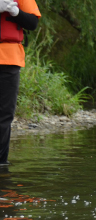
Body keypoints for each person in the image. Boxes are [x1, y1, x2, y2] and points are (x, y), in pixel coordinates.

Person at [0, 0, 40, 166]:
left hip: (9, 59)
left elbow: (32, 23)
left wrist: (16, 12)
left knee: (4, 115)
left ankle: (1, 164)